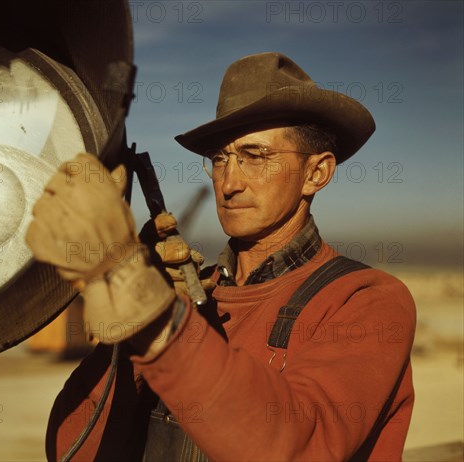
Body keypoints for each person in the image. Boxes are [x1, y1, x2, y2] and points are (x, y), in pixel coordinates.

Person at [26, 52, 416, 461]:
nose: (229, 183)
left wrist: (152, 315)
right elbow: (71, 449)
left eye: (256, 157)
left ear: (316, 173)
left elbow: (300, 446)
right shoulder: (188, 293)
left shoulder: (366, 301)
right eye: (220, 159)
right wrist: (131, 337)